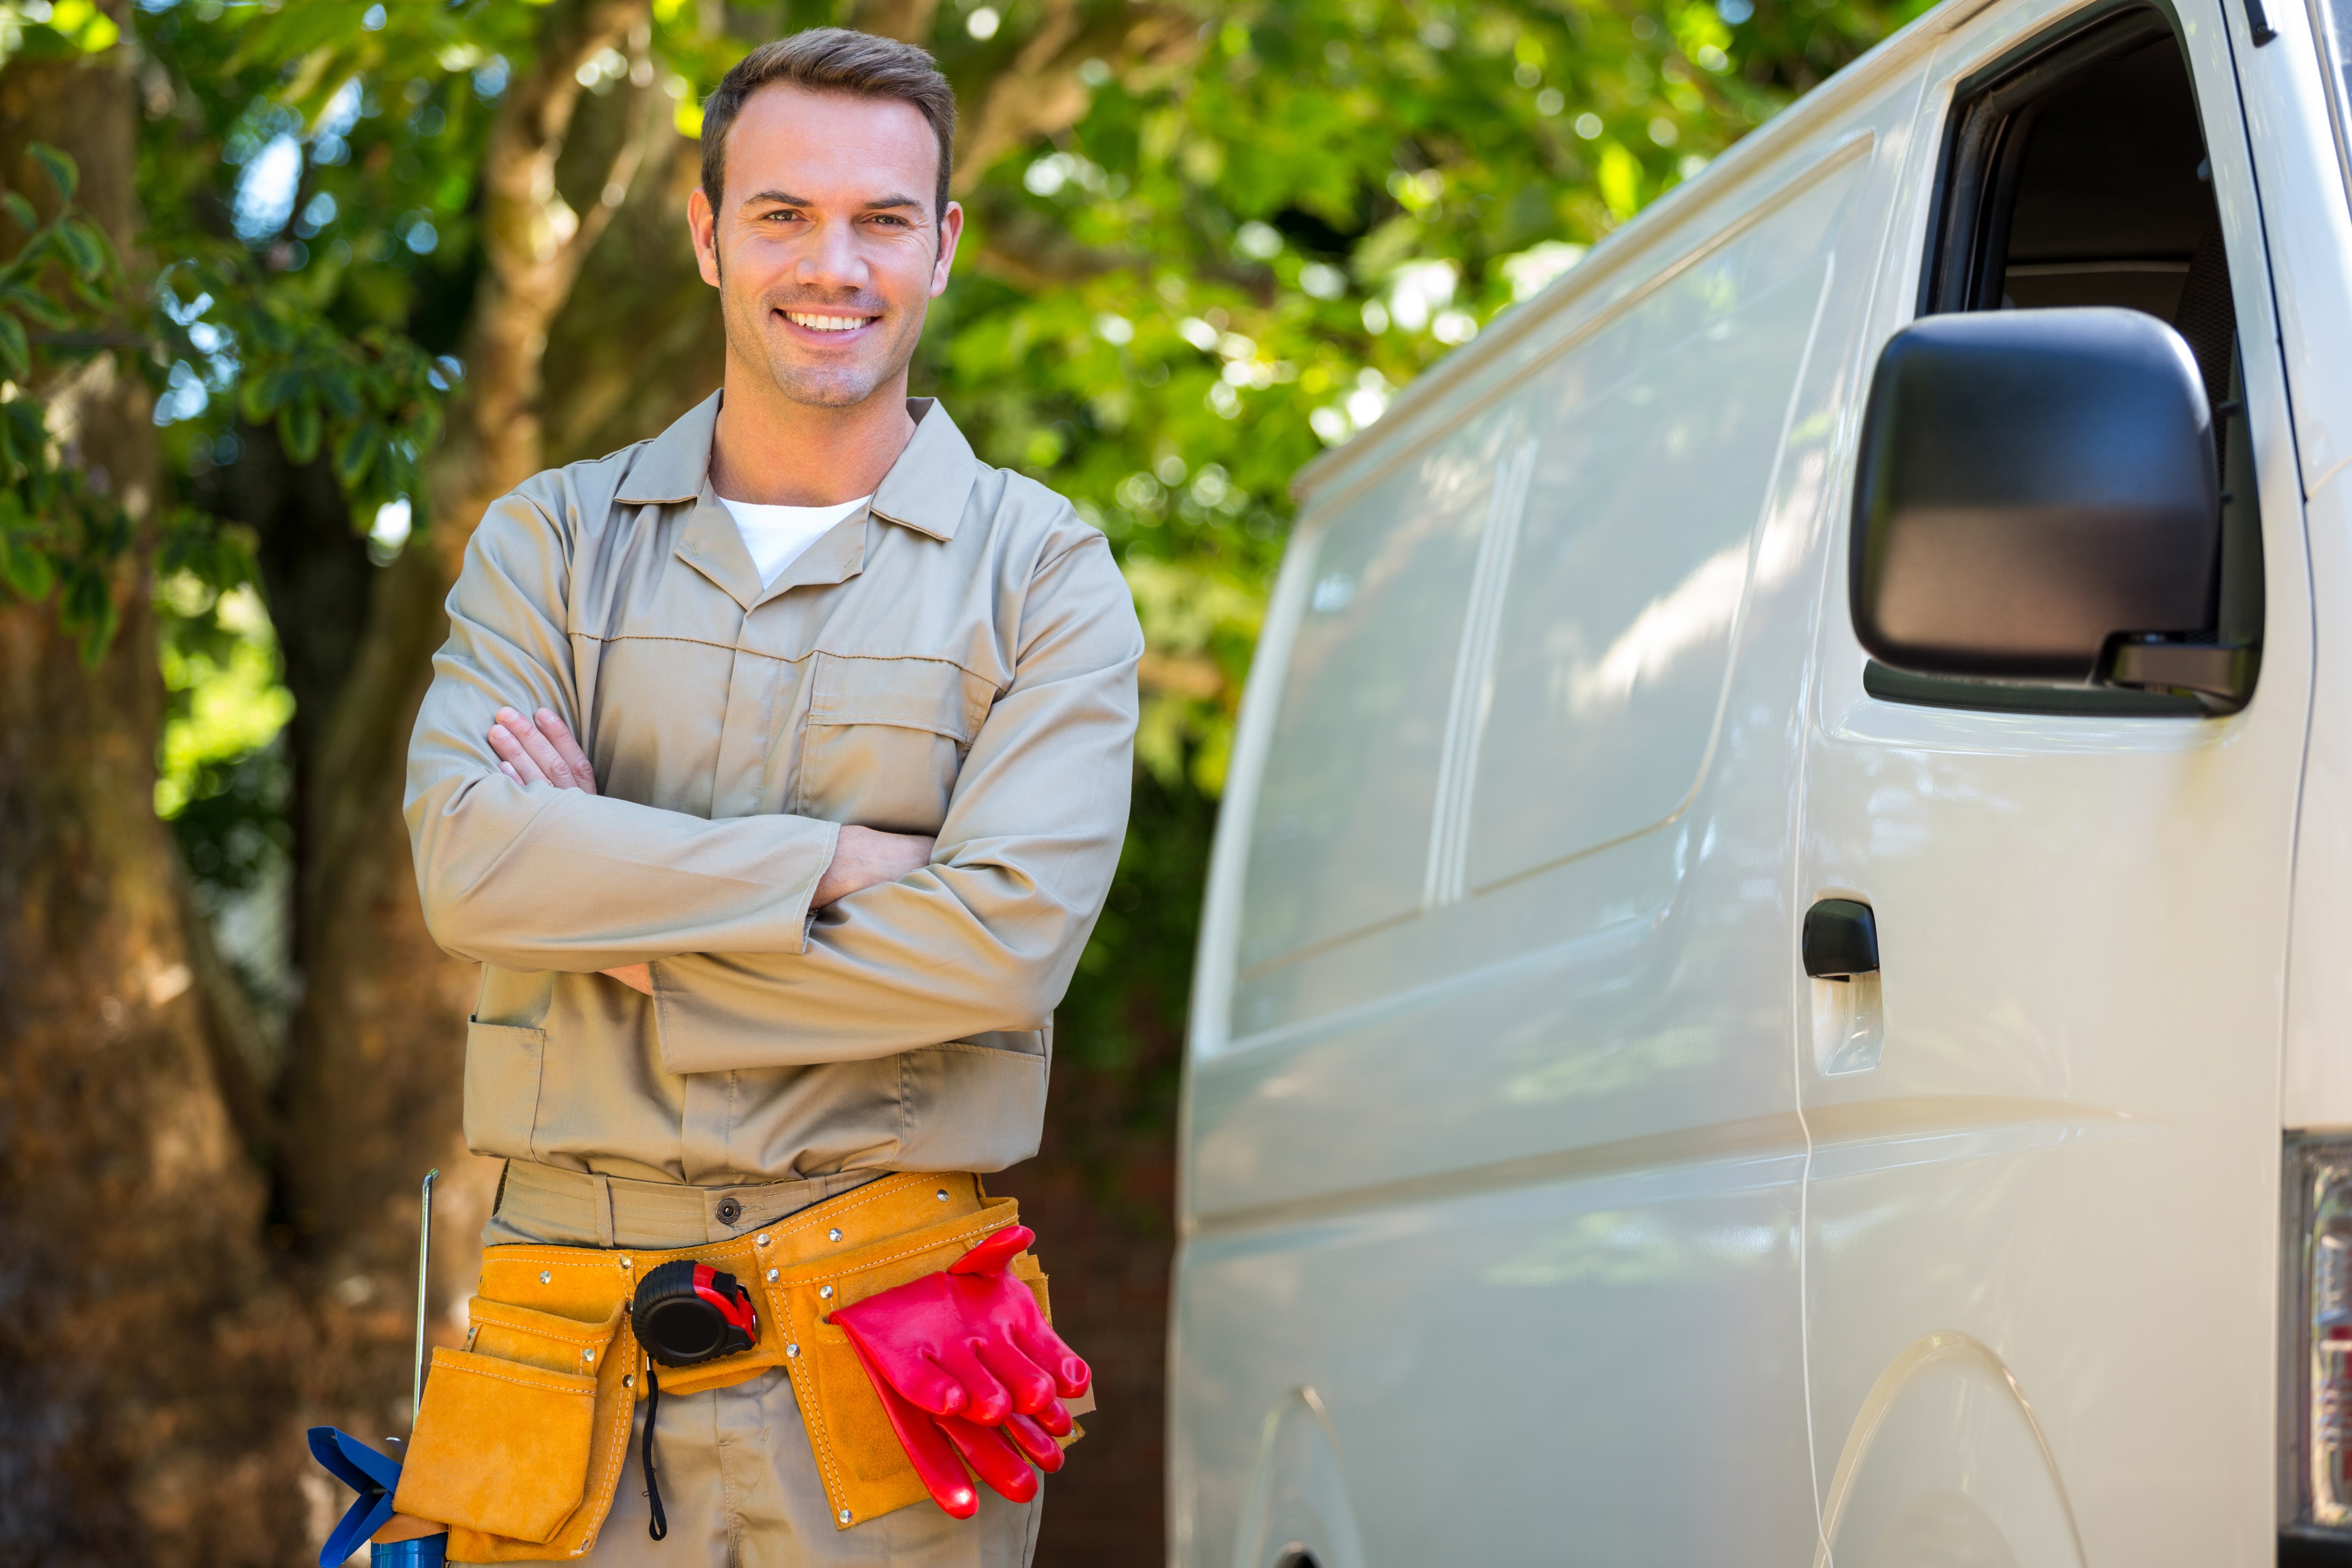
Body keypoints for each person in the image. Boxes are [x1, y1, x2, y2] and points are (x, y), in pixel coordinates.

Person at [401, 27, 1141, 1567]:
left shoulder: (1045, 573)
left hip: (895, 1353)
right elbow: (473, 864)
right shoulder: (552, 544)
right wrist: (836, 864)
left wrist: (628, 935)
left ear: (943, 246)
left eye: (883, 219)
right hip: (564, 1353)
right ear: (707, 233)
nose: (834, 266)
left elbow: (1003, 950)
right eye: (784, 214)